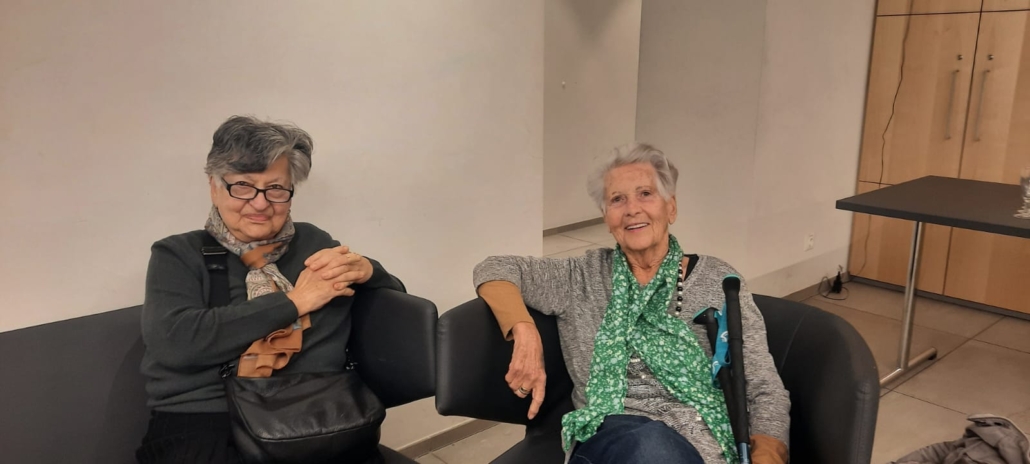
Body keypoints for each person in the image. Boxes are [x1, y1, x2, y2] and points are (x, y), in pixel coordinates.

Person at [473, 143, 790, 464]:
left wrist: (767, 452)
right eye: (617, 199)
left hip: (709, 439)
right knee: (652, 446)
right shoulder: (580, 276)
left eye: (645, 194)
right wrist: (524, 329)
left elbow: (762, 382)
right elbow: (495, 268)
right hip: (613, 436)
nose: (631, 209)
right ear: (606, 217)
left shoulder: (720, 280)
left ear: (671, 208)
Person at [136, 116, 404, 463]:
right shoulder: (178, 253)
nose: (261, 203)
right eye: (243, 186)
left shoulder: (314, 242)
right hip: (208, 417)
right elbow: (175, 342)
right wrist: (295, 301)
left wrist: (369, 270)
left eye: (276, 188)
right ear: (214, 187)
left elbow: (391, 303)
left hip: (319, 409)